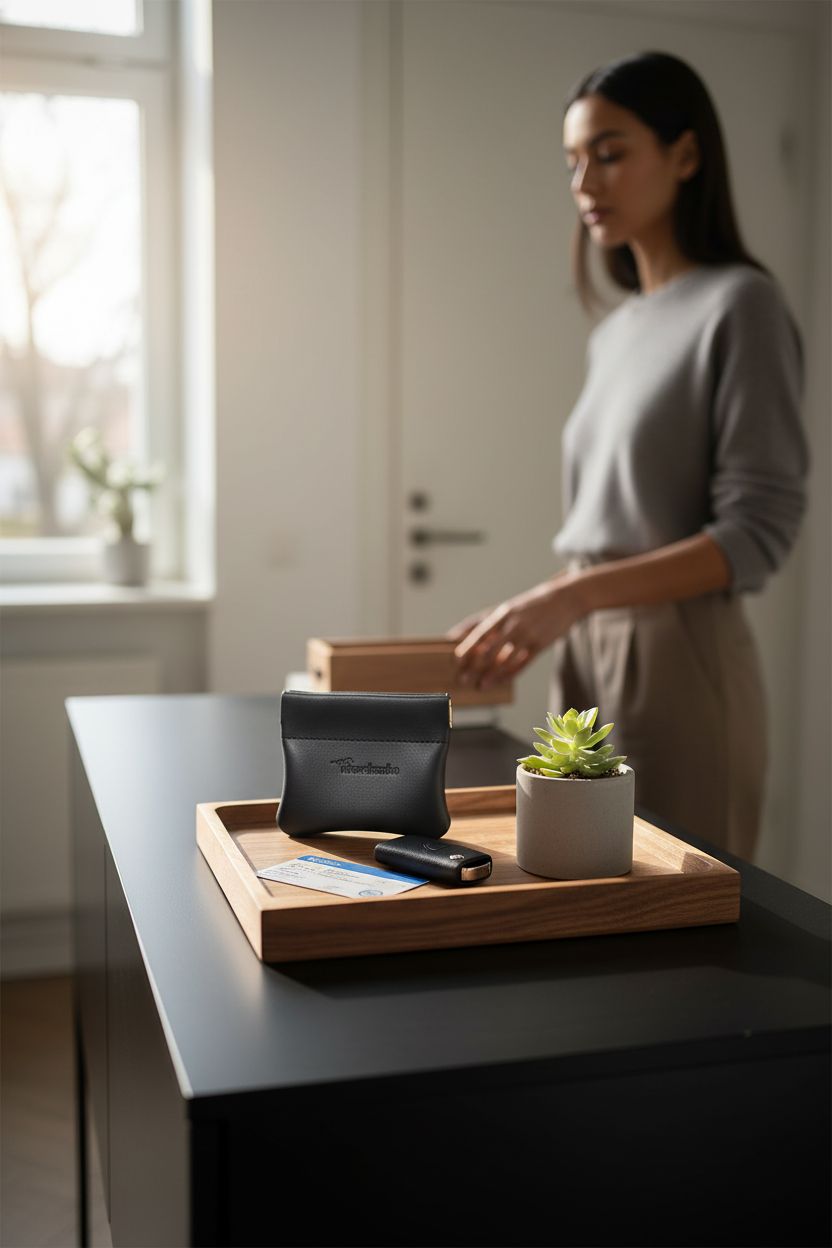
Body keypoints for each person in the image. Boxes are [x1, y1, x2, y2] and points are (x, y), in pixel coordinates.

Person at [449, 51, 809, 860]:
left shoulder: (740, 305)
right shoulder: (616, 331)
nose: (586, 183)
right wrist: (554, 608)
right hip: (585, 650)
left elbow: (758, 533)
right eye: (574, 162)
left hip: (680, 655)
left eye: (610, 154)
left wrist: (569, 598)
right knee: (580, 893)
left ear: (685, 155)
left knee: (678, 917)